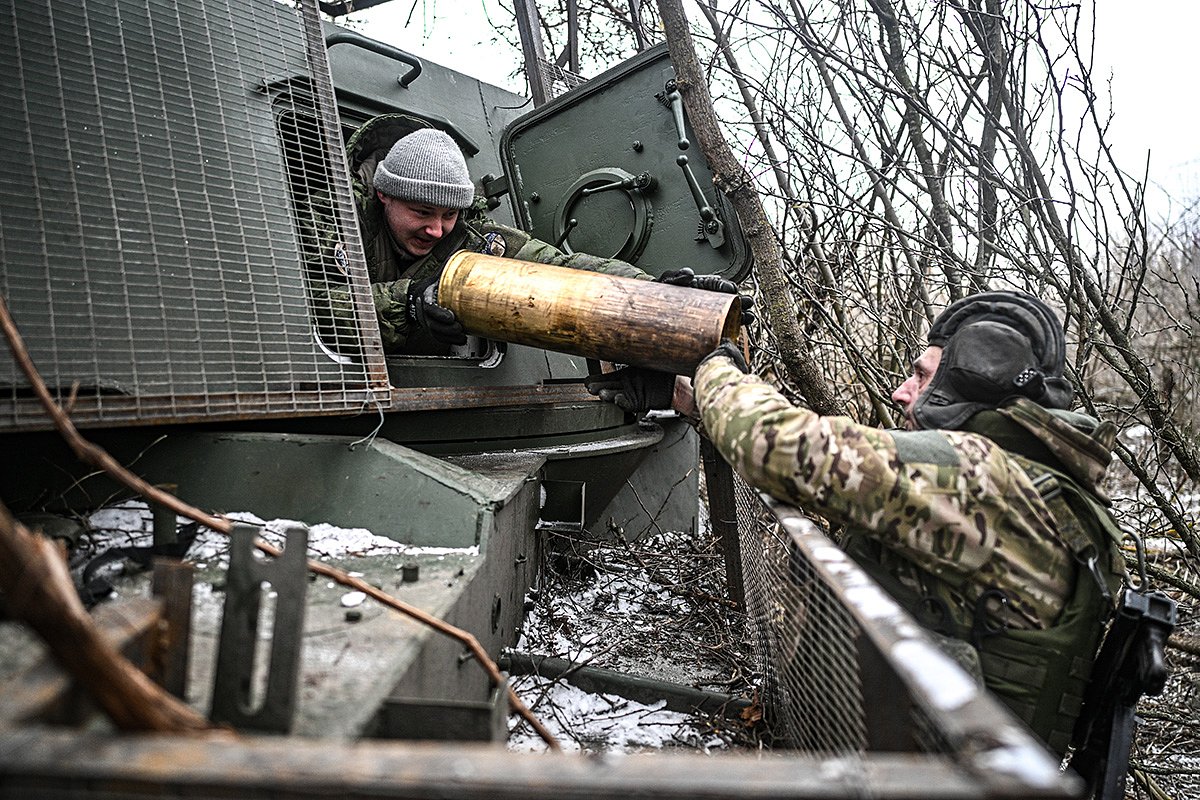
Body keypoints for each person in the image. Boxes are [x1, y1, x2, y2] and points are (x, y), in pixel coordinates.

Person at [687, 291, 1126, 756]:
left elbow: (771, 444)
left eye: (921, 376)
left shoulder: (981, 476)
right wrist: (692, 396)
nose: (901, 391)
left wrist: (713, 364)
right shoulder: (1034, 487)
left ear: (976, 381)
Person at [326, 114, 752, 354]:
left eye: (450, 214)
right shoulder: (333, 214)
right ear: (384, 195)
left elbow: (561, 268)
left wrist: (661, 294)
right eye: (422, 212)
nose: (437, 229)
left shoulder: (475, 240)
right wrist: (410, 304)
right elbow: (307, 309)